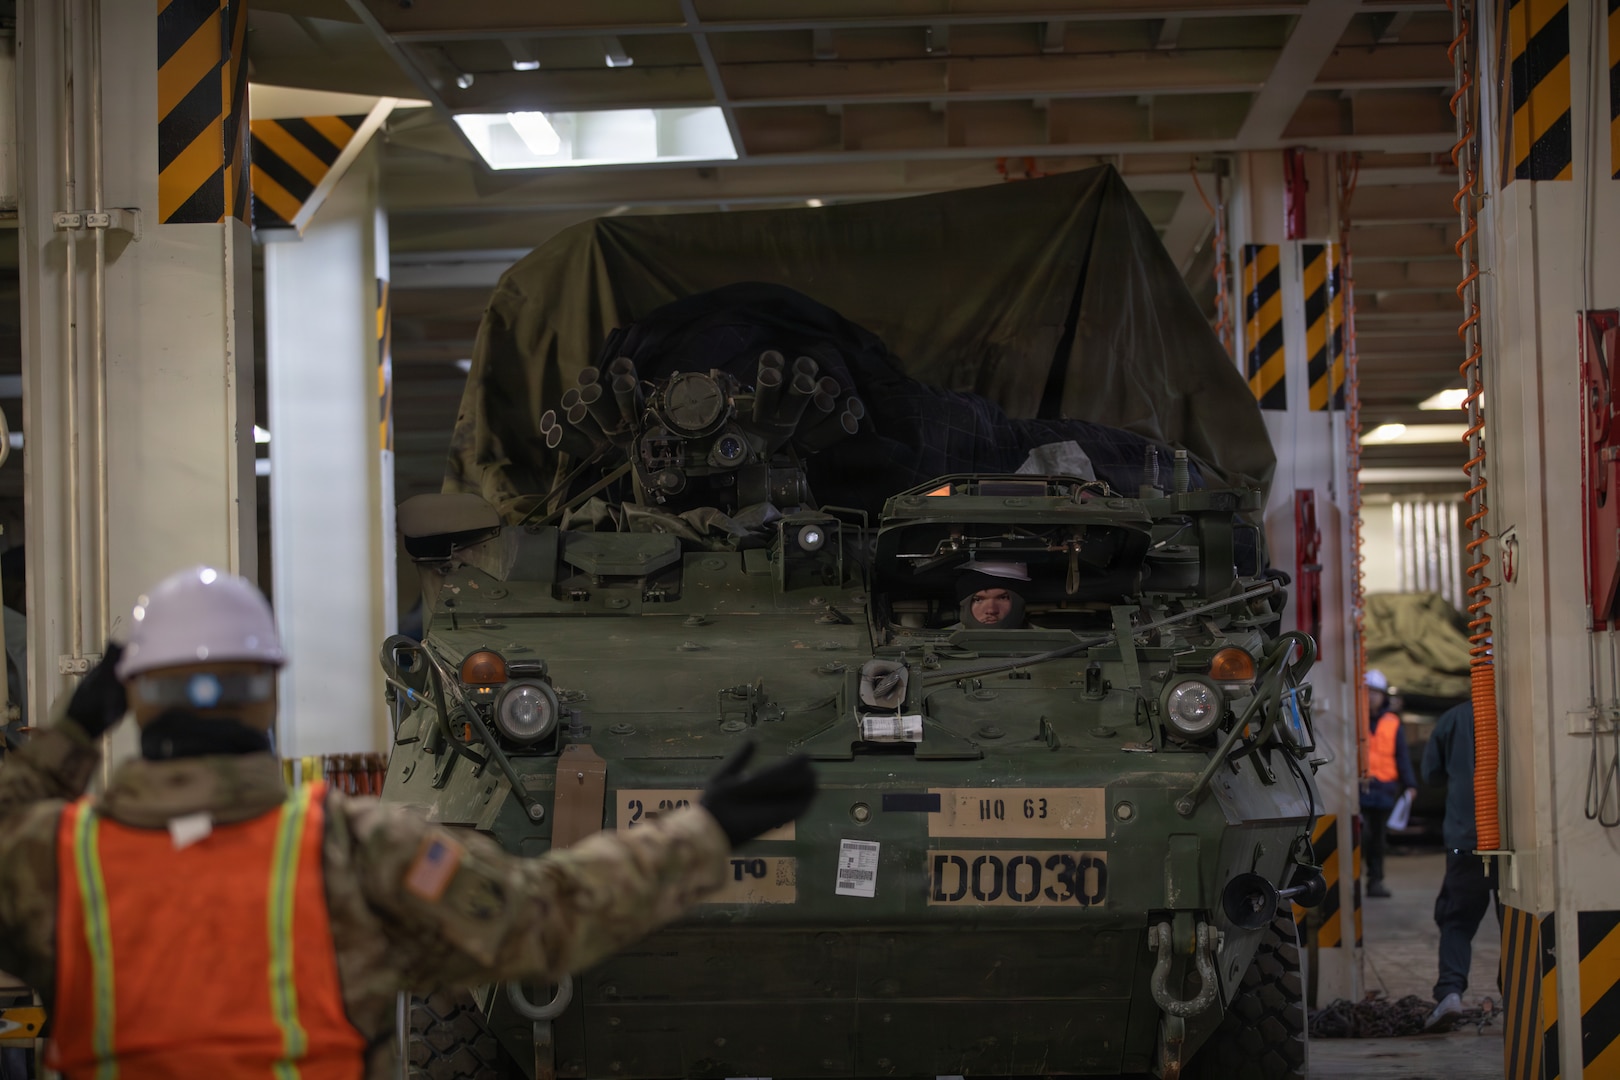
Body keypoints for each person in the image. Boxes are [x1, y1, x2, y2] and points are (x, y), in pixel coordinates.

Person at [0, 566, 816, 1078]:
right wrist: (704, 830)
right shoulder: (356, 851)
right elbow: (548, 915)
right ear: (270, 692)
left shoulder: (48, 860)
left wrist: (70, 736)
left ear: (130, 698)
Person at [1421, 700, 1500, 1032]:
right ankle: (1521, 993)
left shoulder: (1453, 718)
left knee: (1456, 921)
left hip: (1466, 840)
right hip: (1521, 844)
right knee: (1520, 923)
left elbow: (1430, 774)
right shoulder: (1528, 705)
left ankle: (1451, 994)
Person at [1361, 668, 1416, 898]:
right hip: (1361, 789)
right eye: (1368, 692)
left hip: (1384, 789)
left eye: (1376, 693)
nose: (1372, 697)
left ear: (1383, 696)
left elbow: (1402, 755)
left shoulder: (1392, 722)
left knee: (1378, 839)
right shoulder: (1356, 719)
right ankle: (1354, 878)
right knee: (1362, 836)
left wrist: (1410, 784)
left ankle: (1375, 881)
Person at [955, 560, 1030, 629]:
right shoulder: (948, 638)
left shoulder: (1037, 638)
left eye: (1003, 598)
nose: (991, 610)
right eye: (978, 600)